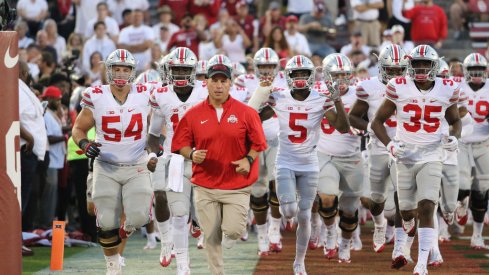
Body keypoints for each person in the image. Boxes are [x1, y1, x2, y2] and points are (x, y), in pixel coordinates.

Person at [247, 55, 350, 274]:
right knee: (290, 211)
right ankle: (285, 223)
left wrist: (338, 100)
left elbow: (342, 127)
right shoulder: (280, 97)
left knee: (304, 216)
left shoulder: (321, 98)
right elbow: (251, 116)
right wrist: (260, 94)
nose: (301, 77)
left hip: (310, 164)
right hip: (285, 161)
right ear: (289, 76)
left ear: (312, 76)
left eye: (305, 73)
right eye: (297, 73)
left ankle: (299, 262)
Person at [171, 54, 267, 275]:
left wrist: (249, 159)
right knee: (211, 233)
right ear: (206, 82)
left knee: (233, 231)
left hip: (237, 184)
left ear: (230, 83)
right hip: (205, 184)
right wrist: (192, 154)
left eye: (223, 81)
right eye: (214, 80)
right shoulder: (193, 114)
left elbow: (258, 143)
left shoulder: (247, 113)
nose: (219, 85)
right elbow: (180, 144)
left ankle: (229, 232)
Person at [371, 44, 462, 275]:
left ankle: (422, 264)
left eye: (426, 64)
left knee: (427, 206)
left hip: (432, 155)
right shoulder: (398, 86)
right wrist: (390, 144)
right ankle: (409, 227)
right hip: (405, 156)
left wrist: (455, 138)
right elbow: (376, 122)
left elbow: (455, 120)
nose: (421, 68)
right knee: (408, 212)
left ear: (434, 66)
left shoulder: (446, 88)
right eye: (416, 64)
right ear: (409, 66)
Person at [72, 49, 153, 274]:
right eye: (116, 68)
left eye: (125, 69)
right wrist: (85, 145)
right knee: (106, 221)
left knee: (140, 216)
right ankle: (112, 266)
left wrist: (156, 145)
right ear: (108, 71)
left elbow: (158, 124)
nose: (120, 73)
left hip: (137, 163)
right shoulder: (96, 95)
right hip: (105, 165)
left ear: (132, 72)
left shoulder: (145, 93)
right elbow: (78, 128)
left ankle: (124, 231)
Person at [147, 47, 207, 273]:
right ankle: (182, 263)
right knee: (179, 213)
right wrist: (153, 154)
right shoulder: (161, 94)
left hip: (203, 158)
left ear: (193, 70)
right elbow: (153, 135)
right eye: (177, 69)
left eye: (185, 69)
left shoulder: (206, 90)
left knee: (205, 215)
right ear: (169, 70)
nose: (181, 73)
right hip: (175, 159)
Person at [349, 44, 409, 265]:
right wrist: (371, 128)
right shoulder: (369, 87)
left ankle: (400, 247)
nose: (394, 74)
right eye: (390, 69)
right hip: (377, 148)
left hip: (404, 148)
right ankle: (380, 225)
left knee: (403, 197)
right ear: (381, 68)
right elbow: (354, 117)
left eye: (399, 70)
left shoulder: (413, 86)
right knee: (376, 200)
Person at [315, 53, 365, 263]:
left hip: (352, 156)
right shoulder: (316, 92)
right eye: (336, 75)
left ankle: (345, 243)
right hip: (324, 153)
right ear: (326, 76)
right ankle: (329, 232)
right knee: (326, 198)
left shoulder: (361, 93)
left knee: (349, 210)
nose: (341, 80)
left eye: (345, 75)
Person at [236, 48, 287, 256]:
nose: (266, 71)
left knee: (277, 185)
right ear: (255, 67)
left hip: (277, 140)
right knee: (257, 192)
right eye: (263, 67)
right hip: (252, 143)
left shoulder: (285, 80)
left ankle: (275, 229)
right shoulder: (243, 82)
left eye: (270, 66)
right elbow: (241, 112)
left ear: (276, 67)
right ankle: (262, 233)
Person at [456, 53, 489, 250]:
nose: (476, 75)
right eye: (472, 71)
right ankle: (460, 203)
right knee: (461, 183)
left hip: (484, 143)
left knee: (482, 189)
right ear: (465, 71)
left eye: (480, 71)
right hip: (461, 142)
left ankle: (477, 235)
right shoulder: (455, 86)